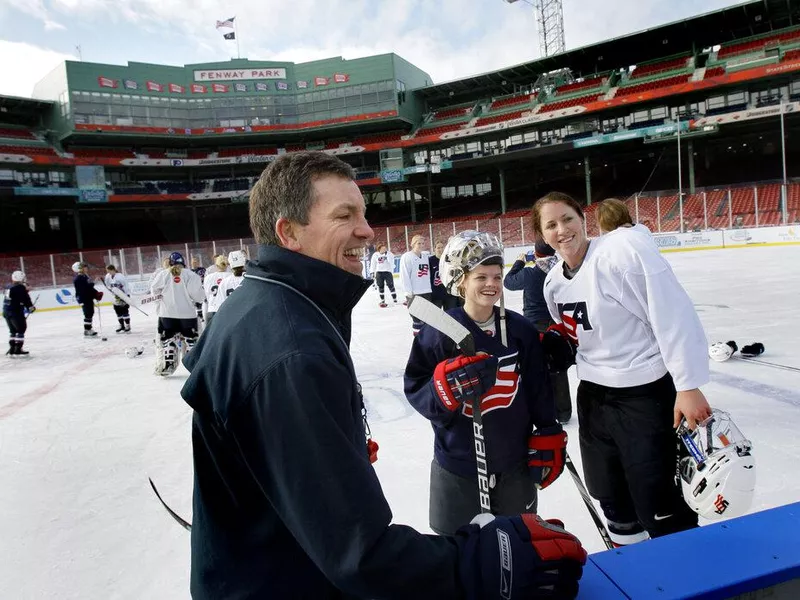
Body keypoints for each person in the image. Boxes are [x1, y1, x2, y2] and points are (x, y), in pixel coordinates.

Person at [180, 152, 586, 600]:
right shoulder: (294, 348)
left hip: (278, 566)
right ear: (288, 232)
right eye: (344, 215)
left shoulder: (265, 306)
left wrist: (331, 442)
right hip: (287, 581)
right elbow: (361, 555)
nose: (367, 230)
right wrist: (479, 564)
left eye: (364, 214)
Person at [532, 190, 712, 546]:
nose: (562, 230)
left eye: (567, 218)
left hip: (643, 395)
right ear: (542, 234)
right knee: (610, 493)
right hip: (593, 398)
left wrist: (688, 385)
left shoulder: (620, 253)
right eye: (550, 225)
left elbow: (670, 313)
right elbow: (578, 335)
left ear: (584, 219)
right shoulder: (553, 282)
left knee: (657, 497)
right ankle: (635, 569)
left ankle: (686, 570)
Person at [404, 230, 566, 537]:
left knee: (517, 547)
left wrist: (548, 429)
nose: (491, 284)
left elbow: (537, 387)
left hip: (513, 461)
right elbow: (416, 386)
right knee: (456, 554)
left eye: (496, 275)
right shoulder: (440, 330)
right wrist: (443, 390)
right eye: (481, 277)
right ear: (461, 281)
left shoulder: (520, 329)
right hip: (457, 464)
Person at [503, 238, 572, 423]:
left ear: (536, 253)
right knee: (558, 368)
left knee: (534, 368)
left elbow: (508, 282)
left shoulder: (529, 274)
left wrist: (519, 262)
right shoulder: (561, 269)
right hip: (557, 324)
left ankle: (539, 410)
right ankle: (563, 411)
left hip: (534, 326)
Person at [150, 252, 205, 376]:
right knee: (191, 341)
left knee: (168, 340)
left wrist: (162, 300)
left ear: (170, 262)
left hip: (167, 315)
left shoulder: (163, 274)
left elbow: (154, 290)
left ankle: (167, 365)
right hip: (187, 315)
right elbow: (198, 296)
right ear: (183, 262)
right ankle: (194, 366)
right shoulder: (191, 275)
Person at [399, 234, 433, 335]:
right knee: (417, 319)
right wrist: (408, 292)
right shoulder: (407, 257)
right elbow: (404, 275)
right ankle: (418, 340)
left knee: (427, 318)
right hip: (414, 292)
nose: (421, 245)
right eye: (419, 243)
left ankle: (426, 339)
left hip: (426, 291)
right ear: (413, 244)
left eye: (423, 243)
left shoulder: (426, 256)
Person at [3, 270, 34, 356]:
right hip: (15, 312)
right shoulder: (20, 288)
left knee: (13, 331)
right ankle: (18, 349)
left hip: (6, 311)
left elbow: (14, 296)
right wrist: (30, 307)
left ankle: (12, 348)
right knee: (21, 329)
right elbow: (25, 299)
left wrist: (25, 290)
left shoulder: (8, 286)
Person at [72, 262, 102, 337]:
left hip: (88, 298)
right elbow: (84, 290)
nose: (86, 268)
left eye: (85, 267)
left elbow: (89, 288)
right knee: (88, 314)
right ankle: (87, 330)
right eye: (84, 267)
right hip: (85, 299)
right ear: (79, 269)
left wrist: (95, 294)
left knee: (90, 313)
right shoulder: (79, 278)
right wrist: (81, 301)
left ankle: (89, 329)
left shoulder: (85, 276)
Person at [202, 254, 230, 329]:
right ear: (227, 265)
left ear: (216, 265)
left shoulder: (208, 278)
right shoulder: (231, 276)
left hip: (212, 310)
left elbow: (207, 295)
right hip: (227, 311)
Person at [104, 265, 131, 333]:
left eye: (109, 271)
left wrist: (126, 296)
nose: (108, 272)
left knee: (124, 311)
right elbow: (108, 285)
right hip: (114, 296)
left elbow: (126, 286)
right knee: (118, 311)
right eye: (107, 271)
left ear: (113, 270)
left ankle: (127, 325)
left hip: (123, 295)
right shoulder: (107, 276)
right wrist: (110, 290)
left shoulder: (120, 276)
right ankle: (121, 325)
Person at [369, 242, 397, 307]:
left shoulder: (389, 254)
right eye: (383, 249)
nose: (384, 250)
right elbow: (373, 264)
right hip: (379, 273)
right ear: (379, 249)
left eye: (385, 248)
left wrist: (387, 255)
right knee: (380, 286)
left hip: (387, 272)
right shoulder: (375, 255)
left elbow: (392, 262)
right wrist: (372, 272)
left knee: (391, 286)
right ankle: (382, 300)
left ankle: (395, 299)